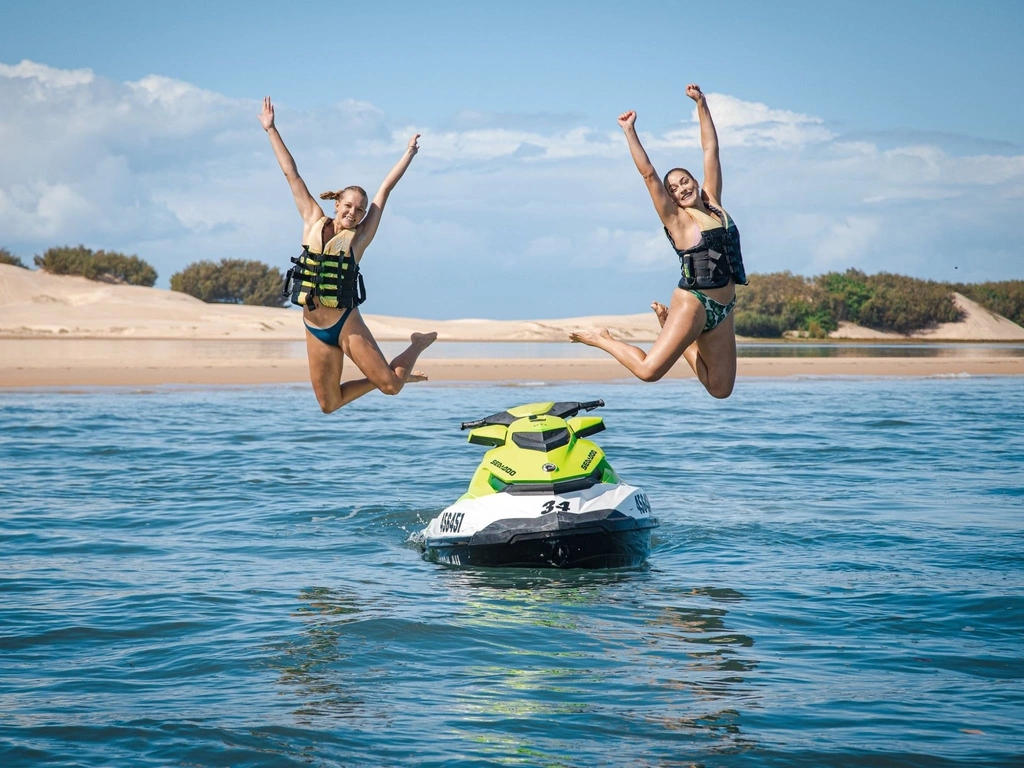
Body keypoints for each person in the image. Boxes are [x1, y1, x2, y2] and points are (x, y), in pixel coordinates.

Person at [259, 96, 436, 413]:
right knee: (329, 404)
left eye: (360, 210)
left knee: (391, 386)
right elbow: (292, 174)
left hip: (344, 323)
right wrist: (271, 129)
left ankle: (417, 344)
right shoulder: (312, 217)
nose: (353, 213)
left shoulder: (359, 239)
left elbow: (385, 189)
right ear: (336, 204)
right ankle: (382, 374)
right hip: (314, 327)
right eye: (348, 206)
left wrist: (408, 153)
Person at [570, 84, 747, 398]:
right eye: (675, 189)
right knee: (648, 371)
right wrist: (629, 131)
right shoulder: (678, 221)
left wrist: (701, 104)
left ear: (695, 180)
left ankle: (671, 328)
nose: (681, 189)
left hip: (725, 305)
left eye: (685, 181)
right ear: (672, 199)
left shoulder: (715, 204)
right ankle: (602, 338)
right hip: (694, 303)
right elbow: (649, 175)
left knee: (720, 389)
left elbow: (710, 150)